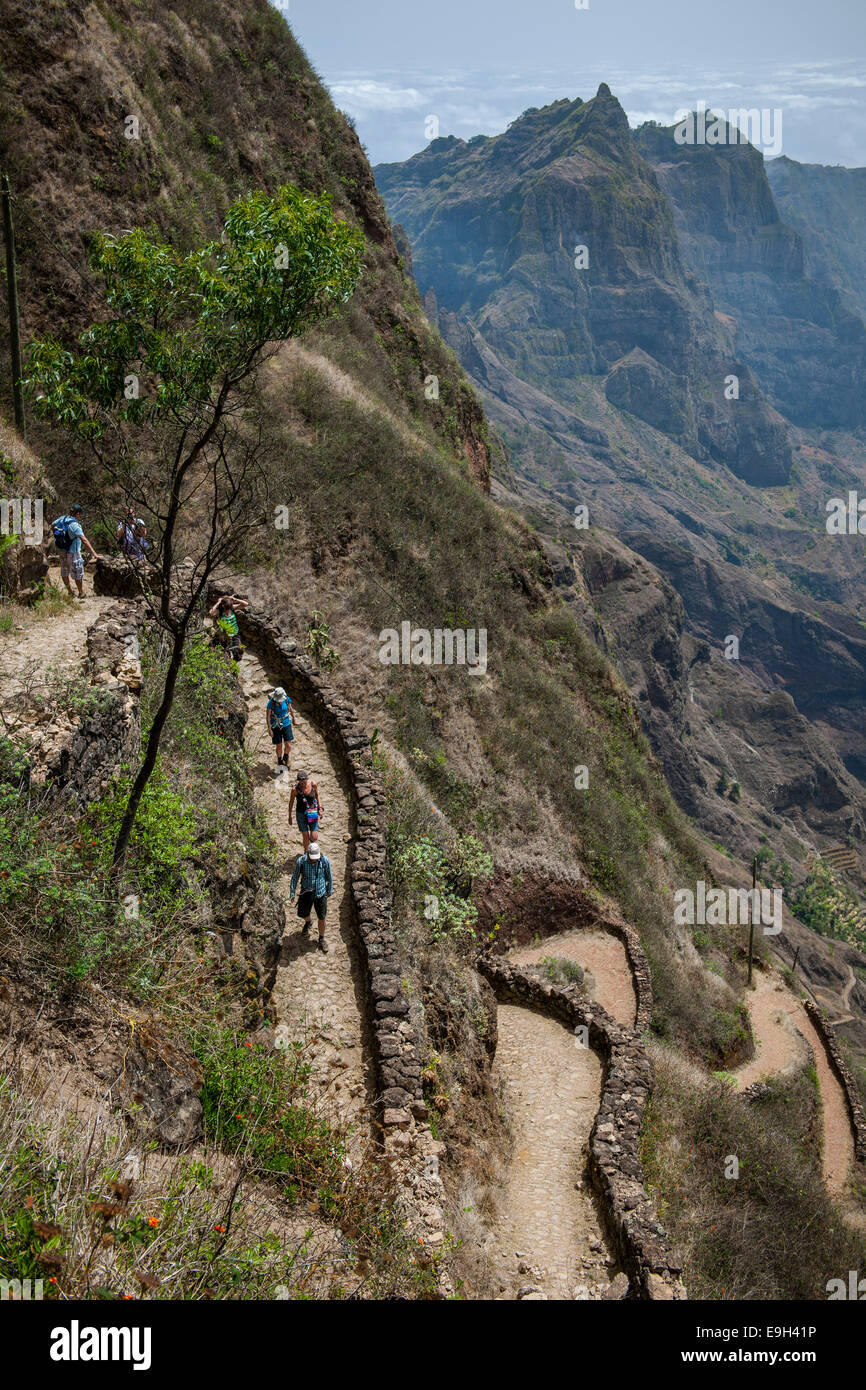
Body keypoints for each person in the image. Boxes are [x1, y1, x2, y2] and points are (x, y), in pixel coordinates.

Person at [290, 839, 333, 953]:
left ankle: (321, 938)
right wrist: (292, 892)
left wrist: (329, 889)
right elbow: (295, 877)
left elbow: (329, 876)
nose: (314, 859)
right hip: (306, 892)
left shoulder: (324, 861)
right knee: (302, 913)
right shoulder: (301, 861)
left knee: (322, 917)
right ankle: (308, 921)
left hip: (320, 892)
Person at [52, 504, 98, 599]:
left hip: (62, 550)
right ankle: (81, 593)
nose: (80, 516)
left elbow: (52, 525)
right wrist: (94, 553)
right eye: (80, 514)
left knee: (64, 572)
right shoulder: (74, 525)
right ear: (77, 513)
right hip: (73, 552)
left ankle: (70, 592)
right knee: (78, 573)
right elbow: (84, 540)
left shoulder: (62, 518)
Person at [288, 769, 322, 851]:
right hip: (300, 814)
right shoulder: (295, 790)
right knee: (305, 835)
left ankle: (311, 846)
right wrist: (289, 816)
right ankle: (306, 854)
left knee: (314, 837)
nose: (302, 783)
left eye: (304, 781)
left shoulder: (313, 784)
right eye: (300, 781)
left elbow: (317, 795)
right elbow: (291, 802)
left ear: (307, 779)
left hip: (312, 812)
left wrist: (320, 808)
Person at [208, 593, 249, 662]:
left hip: (235, 634)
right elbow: (211, 613)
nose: (228, 610)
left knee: (237, 655)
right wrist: (218, 602)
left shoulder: (232, 608)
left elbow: (246, 604)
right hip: (224, 635)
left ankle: (234, 664)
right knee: (224, 651)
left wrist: (234, 599)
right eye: (227, 608)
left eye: (229, 607)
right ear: (223, 606)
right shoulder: (219, 612)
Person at [266, 686, 294, 767]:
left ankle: (286, 756)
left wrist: (293, 717)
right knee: (279, 745)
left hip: (286, 724)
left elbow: (290, 708)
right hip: (275, 726)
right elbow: (268, 716)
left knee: (288, 745)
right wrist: (270, 729)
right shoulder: (271, 703)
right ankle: (279, 760)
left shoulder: (286, 699)